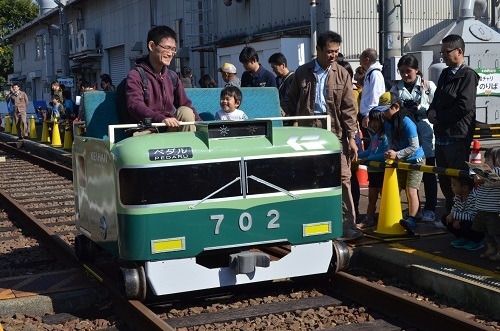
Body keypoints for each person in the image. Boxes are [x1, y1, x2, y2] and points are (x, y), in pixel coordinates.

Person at [280, 31, 360, 240]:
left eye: (336, 52)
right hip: (309, 131)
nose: (333, 56)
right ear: (318, 50)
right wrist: (283, 112)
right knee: (309, 177)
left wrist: (351, 138)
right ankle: (311, 221)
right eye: (329, 51)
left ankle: (348, 224)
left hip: (335, 133)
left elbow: (349, 110)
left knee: (343, 178)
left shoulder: (342, 74)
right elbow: (291, 99)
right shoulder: (302, 72)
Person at [427, 34, 479, 213]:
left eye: (446, 52)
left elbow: (464, 106)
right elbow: (437, 98)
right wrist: (431, 111)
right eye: (442, 53)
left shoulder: (468, 75)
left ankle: (463, 216)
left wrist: (439, 116)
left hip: (457, 135)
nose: (444, 56)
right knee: (444, 178)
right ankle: (451, 213)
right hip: (441, 134)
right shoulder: (445, 73)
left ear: (459, 51)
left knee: (459, 179)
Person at [126, 25, 201, 132]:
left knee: (186, 111)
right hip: (147, 131)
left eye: (173, 49)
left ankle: (188, 147)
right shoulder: (135, 75)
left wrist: (204, 126)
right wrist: (161, 119)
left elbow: (185, 104)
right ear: (151, 46)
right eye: (166, 48)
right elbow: (135, 106)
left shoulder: (173, 77)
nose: (170, 53)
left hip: (168, 129)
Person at [391, 54, 438, 223]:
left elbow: (437, 106)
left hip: (426, 136)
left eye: (408, 71)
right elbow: (391, 110)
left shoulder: (428, 86)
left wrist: (420, 108)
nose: (405, 75)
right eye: (401, 71)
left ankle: (431, 208)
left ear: (416, 70)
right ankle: (415, 210)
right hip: (407, 139)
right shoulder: (396, 89)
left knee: (429, 174)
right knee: (411, 176)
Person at [373, 96, 425, 235]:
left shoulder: (407, 122)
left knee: (411, 189)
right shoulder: (388, 122)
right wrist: (390, 152)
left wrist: (397, 154)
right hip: (401, 161)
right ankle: (393, 215)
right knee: (396, 188)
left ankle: (412, 219)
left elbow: (414, 146)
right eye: (382, 110)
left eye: (386, 110)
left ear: (396, 106)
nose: (383, 113)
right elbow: (391, 141)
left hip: (416, 160)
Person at [357, 108, 388, 229]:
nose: (374, 124)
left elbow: (384, 154)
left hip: (381, 171)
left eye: (377, 121)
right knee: (372, 198)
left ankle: (384, 218)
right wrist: (357, 156)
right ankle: (369, 218)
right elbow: (370, 150)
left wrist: (369, 158)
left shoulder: (385, 137)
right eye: (372, 121)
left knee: (383, 197)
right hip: (372, 171)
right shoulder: (375, 136)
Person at [435, 176, 484, 250]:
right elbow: (455, 207)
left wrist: (455, 216)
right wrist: (454, 217)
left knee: (467, 224)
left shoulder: (474, 197)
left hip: (477, 224)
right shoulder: (458, 196)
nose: (451, 186)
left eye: (454, 185)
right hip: (463, 218)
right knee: (446, 218)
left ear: (465, 188)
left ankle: (476, 241)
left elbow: (472, 216)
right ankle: (464, 238)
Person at [471, 147, 500, 260]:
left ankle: (498, 251)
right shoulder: (486, 172)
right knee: (486, 231)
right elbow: (475, 177)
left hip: (493, 209)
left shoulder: (497, 171)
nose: (485, 162)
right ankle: (491, 248)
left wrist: (478, 175)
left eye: (488, 160)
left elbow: (479, 176)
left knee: (496, 232)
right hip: (482, 207)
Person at [359, 48, 385, 131]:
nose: (359, 60)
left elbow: (375, 95)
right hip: (367, 114)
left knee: (373, 142)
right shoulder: (370, 73)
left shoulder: (375, 74)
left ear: (367, 59)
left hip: (371, 116)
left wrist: (368, 115)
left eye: (361, 58)